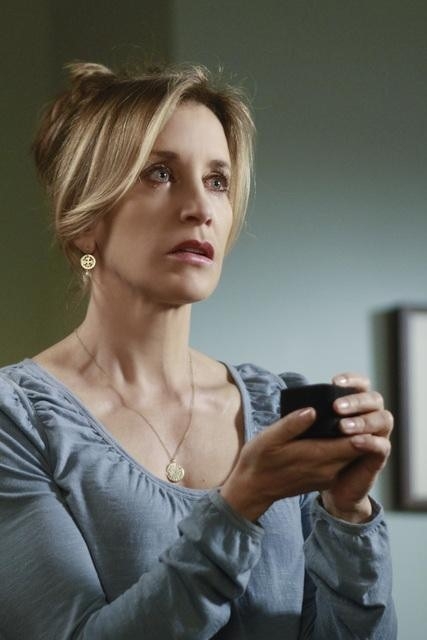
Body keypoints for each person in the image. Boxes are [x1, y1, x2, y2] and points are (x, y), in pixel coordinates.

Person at [0, 61, 397, 639]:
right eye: (160, 173)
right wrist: (240, 504)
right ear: (84, 221)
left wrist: (346, 515)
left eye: (217, 181)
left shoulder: (278, 409)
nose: (200, 208)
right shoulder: (17, 421)